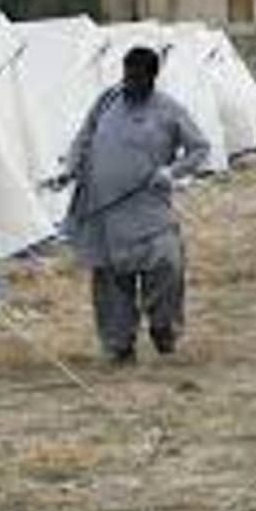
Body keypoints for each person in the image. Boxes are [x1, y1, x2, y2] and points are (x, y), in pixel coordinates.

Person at [55, 47, 210, 364]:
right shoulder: (107, 101)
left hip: (148, 209)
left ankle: (164, 329)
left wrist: (172, 172)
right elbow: (84, 138)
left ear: (152, 78)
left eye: (137, 78)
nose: (130, 83)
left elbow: (200, 148)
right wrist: (70, 168)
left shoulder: (169, 110)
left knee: (167, 266)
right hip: (104, 210)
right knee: (111, 281)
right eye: (127, 76)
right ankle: (118, 346)